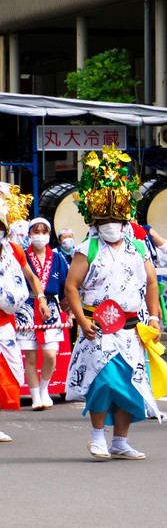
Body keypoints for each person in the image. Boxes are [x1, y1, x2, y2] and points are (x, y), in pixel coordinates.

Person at [63, 147, 165, 459]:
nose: (111, 223)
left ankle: (120, 441)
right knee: (103, 382)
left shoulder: (138, 248)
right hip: (99, 327)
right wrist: (82, 320)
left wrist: (156, 317)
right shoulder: (87, 248)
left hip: (133, 329)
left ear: (125, 219)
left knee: (129, 386)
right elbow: (71, 286)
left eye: (116, 218)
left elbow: (150, 282)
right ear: (95, 219)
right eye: (104, 218)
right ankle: (97, 436)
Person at [0, 184, 45, 442]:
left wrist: (39, 297)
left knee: (5, 375)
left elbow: (30, 276)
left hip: (5, 323)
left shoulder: (14, 251)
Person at [15, 217, 70, 410]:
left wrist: (69, 309)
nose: (40, 236)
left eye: (44, 232)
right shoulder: (21, 256)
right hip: (27, 307)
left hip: (51, 307)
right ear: (29, 235)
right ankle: (35, 395)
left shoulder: (57, 258)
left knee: (50, 354)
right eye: (36, 232)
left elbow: (65, 285)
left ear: (49, 235)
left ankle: (45, 389)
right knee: (30, 357)